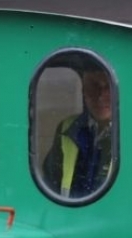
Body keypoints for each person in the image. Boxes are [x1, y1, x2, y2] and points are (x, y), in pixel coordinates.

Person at [41, 67, 115, 199]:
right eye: (94, 86)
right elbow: (50, 182)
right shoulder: (67, 128)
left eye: (108, 87)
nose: (100, 96)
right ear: (83, 90)